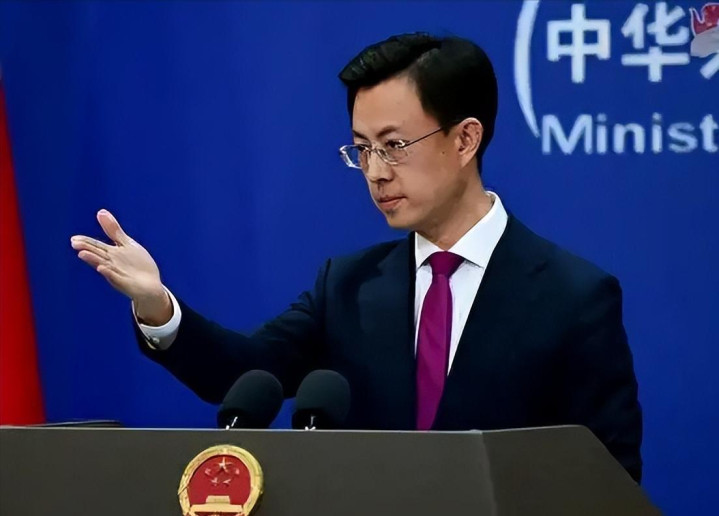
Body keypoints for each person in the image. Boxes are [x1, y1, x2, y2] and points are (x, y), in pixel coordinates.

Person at [71, 33, 642, 481]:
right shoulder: (347, 286)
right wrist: (157, 305)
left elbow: (607, 478)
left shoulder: (573, 297)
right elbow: (241, 374)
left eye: (394, 146)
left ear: (465, 140)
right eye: (362, 149)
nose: (374, 172)